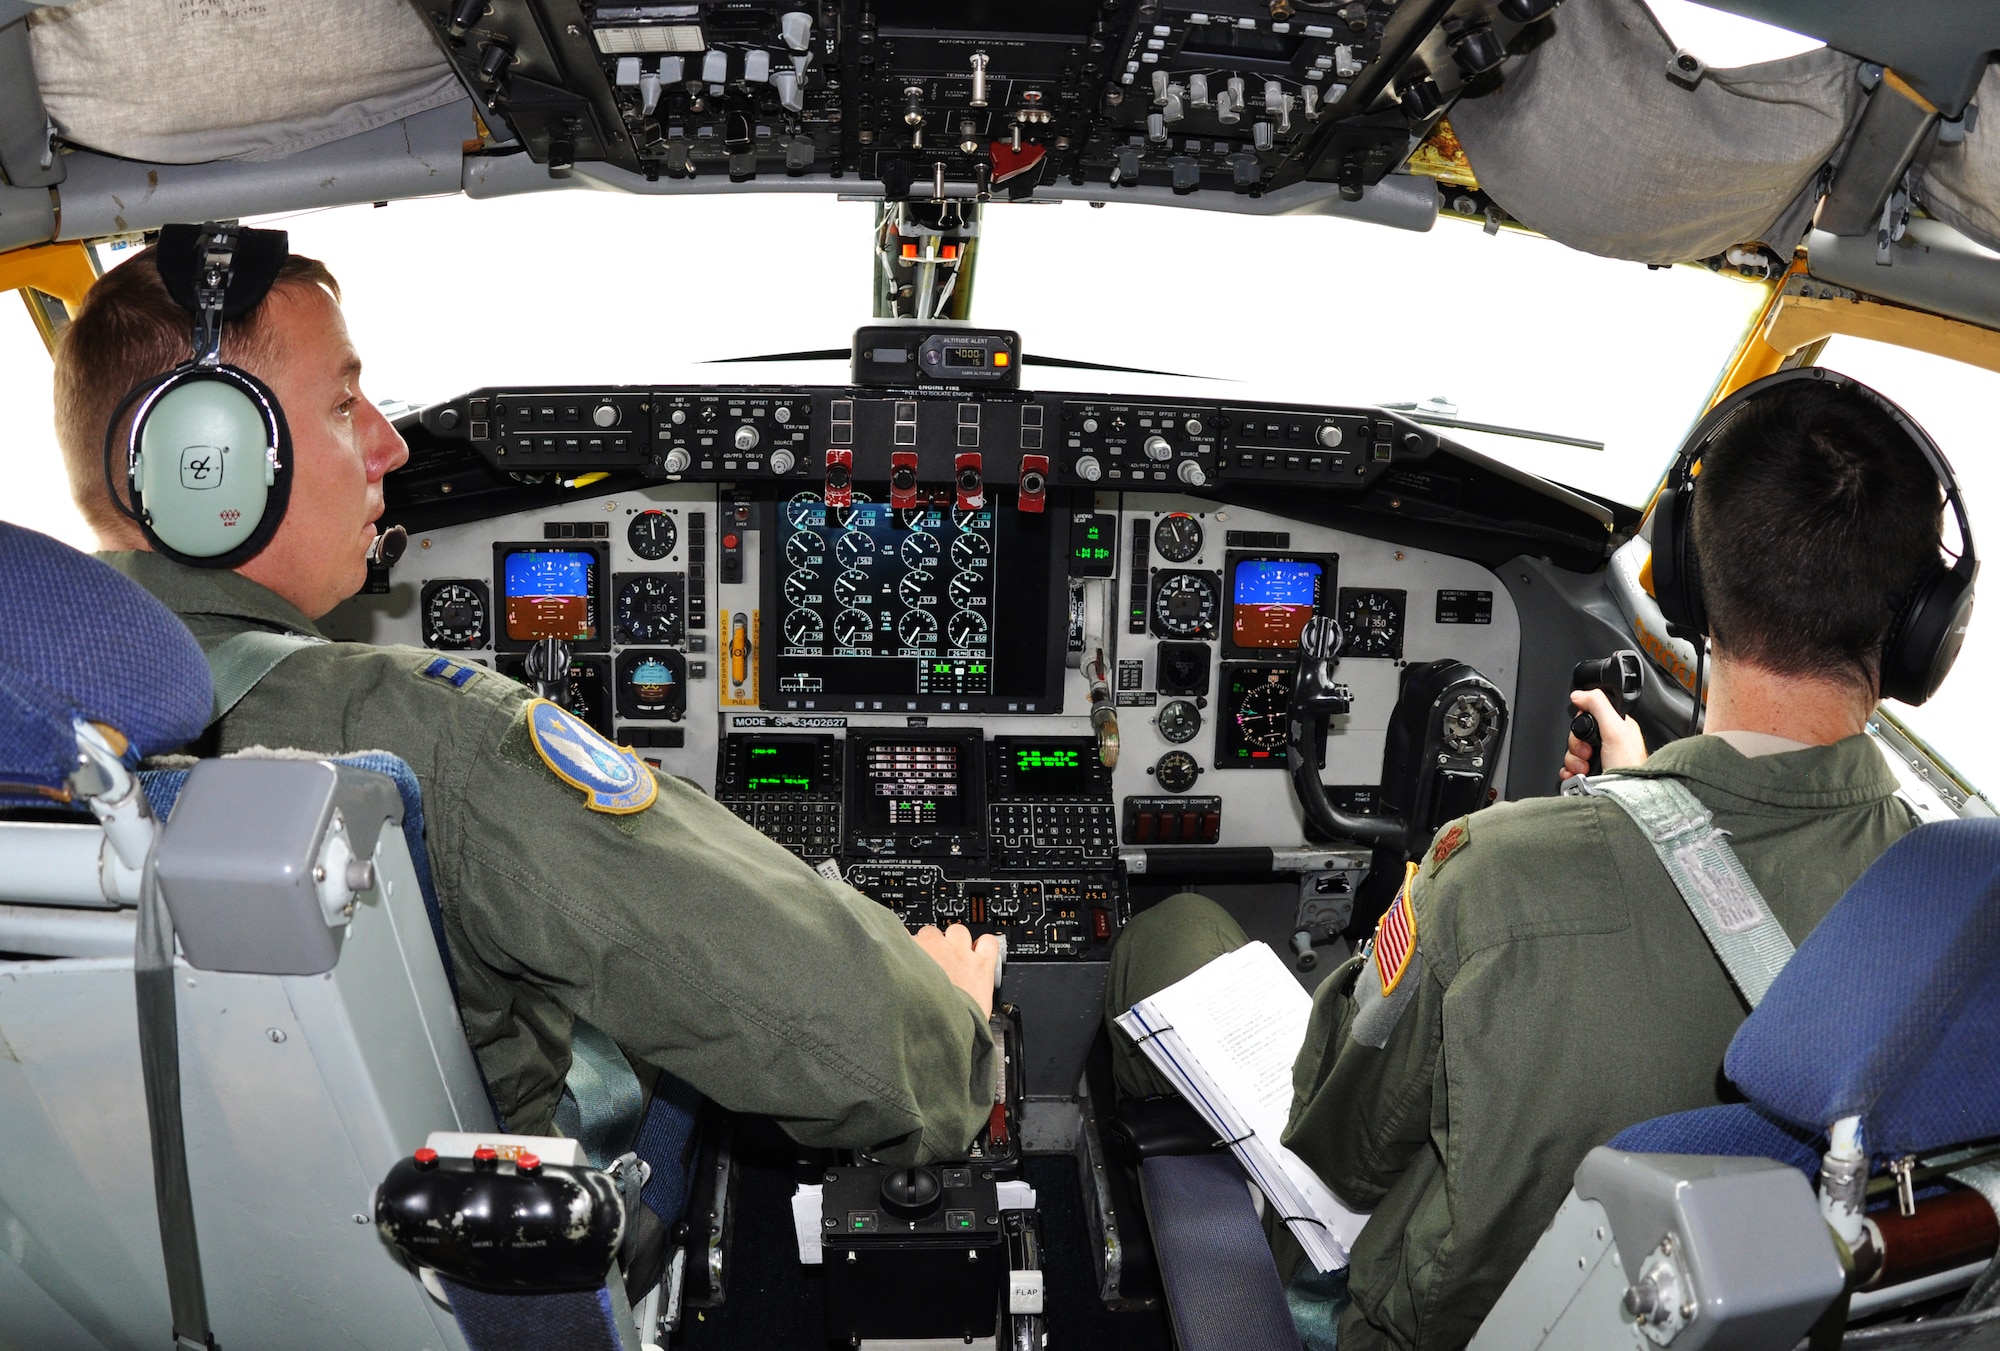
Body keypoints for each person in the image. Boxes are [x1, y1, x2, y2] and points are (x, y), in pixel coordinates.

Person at [53, 238, 1001, 1164]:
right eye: (343, 404)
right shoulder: (422, 730)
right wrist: (948, 1030)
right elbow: (839, 1037)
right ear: (202, 460)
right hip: (483, 1244)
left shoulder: (39, 735)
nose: (389, 444)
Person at [1108, 375, 1952, 1350]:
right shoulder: (1951, 897)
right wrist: (1643, 806)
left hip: (1439, 1328)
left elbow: (1337, 1143)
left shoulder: (1500, 868)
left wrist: (1461, 863)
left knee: (1169, 934)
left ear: (1682, 576)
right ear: (1924, 628)